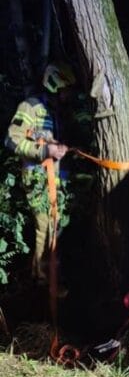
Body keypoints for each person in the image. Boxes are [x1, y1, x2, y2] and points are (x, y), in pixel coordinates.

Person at [5, 61, 77, 283]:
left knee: (57, 227)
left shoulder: (57, 113)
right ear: (55, 84)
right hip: (37, 179)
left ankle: (51, 276)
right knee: (44, 227)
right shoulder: (31, 106)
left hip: (56, 182)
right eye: (66, 89)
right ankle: (42, 277)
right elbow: (11, 140)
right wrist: (44, 149)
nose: (68, 95)